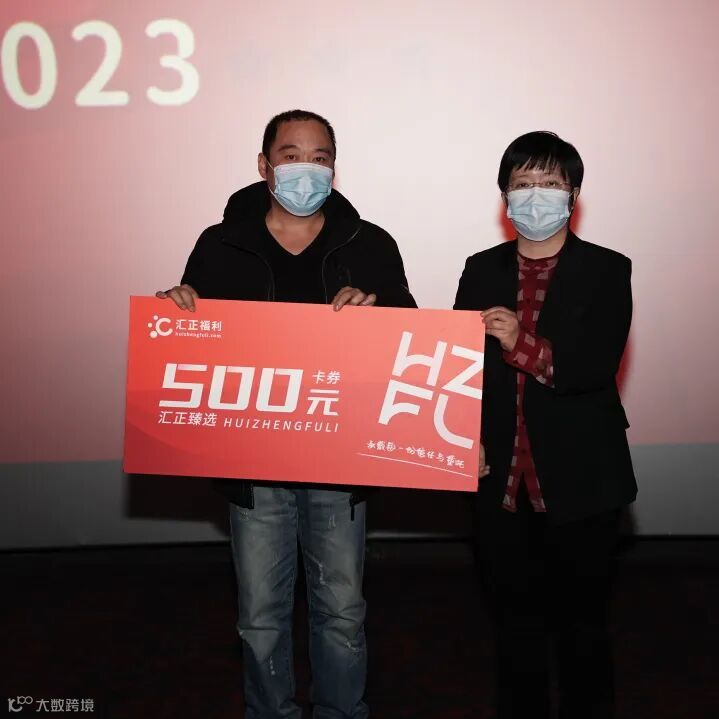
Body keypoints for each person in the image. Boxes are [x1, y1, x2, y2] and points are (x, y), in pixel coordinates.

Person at [158, 109, 416, 719]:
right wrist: (178, 309)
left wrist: (379, 313)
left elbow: (410, 336)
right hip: (254, 468)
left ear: (335, 167)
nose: (307, 168)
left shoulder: (369, 243)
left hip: (340, 463)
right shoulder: (220, 243)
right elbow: (195, 338)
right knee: (259, 617)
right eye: (291, 155)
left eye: (320, 157)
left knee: (342, 612)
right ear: (264, 165)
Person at [454, 131, 637, 719]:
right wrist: (462, 437)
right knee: (514, 632)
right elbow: (460, 368)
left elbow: (593, 366)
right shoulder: (480, 269)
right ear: (504, 195)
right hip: (500, 484)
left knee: (584, 632)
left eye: (550, 183)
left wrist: (519, 341)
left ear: (573, 195)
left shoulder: (607, 269)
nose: (536, 195)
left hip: (582, 484)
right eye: (523, 183)